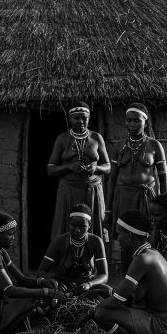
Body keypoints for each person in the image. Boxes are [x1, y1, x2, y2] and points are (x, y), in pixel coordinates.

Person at [94, 210, 167, 334]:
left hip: (166, 328)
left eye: (119, 235)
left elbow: (116, 302)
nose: (117, 240)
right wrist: (106, 291)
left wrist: (95, 308)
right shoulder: (151, 253)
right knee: (112, 300)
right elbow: (125, 294)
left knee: (102, 314)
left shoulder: (142, 259)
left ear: (129, 235)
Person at [0, 212, 66, 334]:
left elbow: (22, 278)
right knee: (39, 300)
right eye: (9, 234)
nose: (13, 237)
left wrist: (43, 282)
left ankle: (2, 331)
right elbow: (10, 290)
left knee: (36, 297)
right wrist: (47, 292)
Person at [105, 103, 167, 272]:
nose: (131, 124)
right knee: (125, 239)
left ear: (145, 123)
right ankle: (127, 275)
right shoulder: (119, 146)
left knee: (149, 237)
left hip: (146, 197)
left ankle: (147, 272)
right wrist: (108, 209)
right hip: (122, 197)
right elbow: (112, 179)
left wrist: (166, 205)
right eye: (128, 121)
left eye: (136, 121)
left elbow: (163, 177)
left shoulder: (155, 146)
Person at [47, 102, 110, 239]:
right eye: (76, 118)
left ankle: (93, 259)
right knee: (66, 232)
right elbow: (50, 170)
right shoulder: (62, 139)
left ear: (88, 118)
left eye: (84, 118)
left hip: (92, 192)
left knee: (93, 233)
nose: (81, 121)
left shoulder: (96, 137)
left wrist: (96, 168)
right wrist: (68, 167)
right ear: (70, 119)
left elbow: (108, 166)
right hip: (69, 192)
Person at [38, 204, 109, 296]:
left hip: (86, 284)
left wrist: (89, 284)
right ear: (69, 223)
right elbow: (41, 270)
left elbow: (104, 275)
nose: (77, 230)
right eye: (74, 225)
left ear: (89, 225)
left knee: (108, 291)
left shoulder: (96, 241)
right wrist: (54, 283)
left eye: (82, 226)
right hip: (62, 284)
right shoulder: (59, 241)